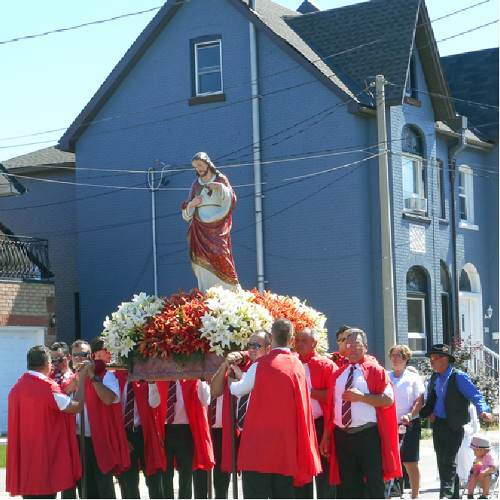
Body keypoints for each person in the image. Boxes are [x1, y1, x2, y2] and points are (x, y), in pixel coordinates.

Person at [231, 318, 321, 498]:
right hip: (286, 447)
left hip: (259, 446)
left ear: (271, 338)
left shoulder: (260, 365)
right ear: (291, 339)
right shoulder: (297, 365)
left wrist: (233, 379)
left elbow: (238, 390)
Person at [320, 328, 401, 499]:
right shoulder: (339, 374)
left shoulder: (375, 370)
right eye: (348, 344)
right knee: (348, 488)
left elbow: (388, 400)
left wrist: (362, 397)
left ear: (365, 347)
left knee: (373, 485)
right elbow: (333, 407)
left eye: (356, 345)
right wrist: (327, 434)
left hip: (367, 436)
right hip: (342, 437)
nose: (352, 349)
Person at [6, 345, 86, 498]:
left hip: (26, 462)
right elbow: (77, 407)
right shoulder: (48, 388)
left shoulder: (16, 388)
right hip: (46, 462)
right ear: (48, 364)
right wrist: (81, 382)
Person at [203, 330, 272, 498]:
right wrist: (226, 364)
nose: (252, 349)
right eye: (249, 345)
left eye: (257, 346)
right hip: (243, 432)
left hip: (264, 433)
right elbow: (216, 390)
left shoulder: (271, 366)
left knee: (265, 481)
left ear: (268, 349)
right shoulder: (242, 364)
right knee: (250, 482)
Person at [420, 344, 493, 499]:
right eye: (430, 358)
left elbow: (476, 396)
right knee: (442, 460)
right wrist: (430, 411)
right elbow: (430, 398)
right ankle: (452, 495)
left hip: (454, 425)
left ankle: (445, 495)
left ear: (445, 359)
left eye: (434, 358)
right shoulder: (434, 378)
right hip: (439, 424)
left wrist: (483, 411)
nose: (431, 362)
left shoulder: (459, 377)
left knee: (449, 459)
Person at [71, 339, 130, 499]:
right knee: (84, 488)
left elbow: (109, 399)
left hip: (99, 440)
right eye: (75, 355)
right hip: (78, 440)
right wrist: (75, 383)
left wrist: (92, 376)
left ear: (90, 355)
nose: (79, 358)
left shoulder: (105, 376)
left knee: (104, 488)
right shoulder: (69, 379)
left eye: (83, 354)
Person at [181, 152, 239, 292]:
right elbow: (186, 212)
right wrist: (193, 204)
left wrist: (219, 188)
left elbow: (232, 199)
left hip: (217, 226)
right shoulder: (196, 185)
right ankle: (206, 291)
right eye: (196, 167)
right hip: (200, 229)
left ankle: (231, 291)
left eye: (201, 165)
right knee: (202, 263)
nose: (199, 169)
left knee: (221, 254)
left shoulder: (220, 179)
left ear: (208, 163)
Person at [151, 378, 214, 499]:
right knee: (165, 473)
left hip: (185, 431)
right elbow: (153, 403)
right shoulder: (160, 380)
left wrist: (201, 379)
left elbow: (205, 400)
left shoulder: (191, 380)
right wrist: (152, 383)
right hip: (166, 431)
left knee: (186, 474)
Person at [294, 327, 337, 499]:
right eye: (297, 340)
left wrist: (307, 391)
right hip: (298, 426)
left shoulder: (326, 365)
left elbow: (335, 396)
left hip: (320, 425)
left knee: (324, 475)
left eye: (304, 341)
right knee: (300, 473)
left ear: (315, 343)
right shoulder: (292, 362)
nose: (300, 344)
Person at [114, 375, 165, 499]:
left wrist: (152, 382)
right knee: (129, 482)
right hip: (125, 434)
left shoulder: (143, 378)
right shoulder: (115, 378)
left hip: (144, 433)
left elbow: (155, 403)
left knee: (153, 479)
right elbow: (113, 412)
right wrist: (123, 438)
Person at [388, 344, 425, 499]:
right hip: (389, 423)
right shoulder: (386, 376)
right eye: (392, 356)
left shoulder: (413, 377)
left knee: (409, 461)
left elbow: (420, 400)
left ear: (405, 358)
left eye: (398, 356)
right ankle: (392, 492)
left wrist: (410, 415)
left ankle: (415, 495)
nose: (395, 359)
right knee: (389, 460)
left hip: (408, 423)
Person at [466, 434, 498, 499]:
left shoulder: (491, 456)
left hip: (491, 477)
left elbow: (493, 468)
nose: (473, 452)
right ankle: (470, 495)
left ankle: (484, 496)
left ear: (481, 450)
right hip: (479, 476)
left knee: (486, 477)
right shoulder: (479, 456)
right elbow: (477, 466)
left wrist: (483, 473)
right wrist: (475, 470)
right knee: (472, 477)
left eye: (474, 450)